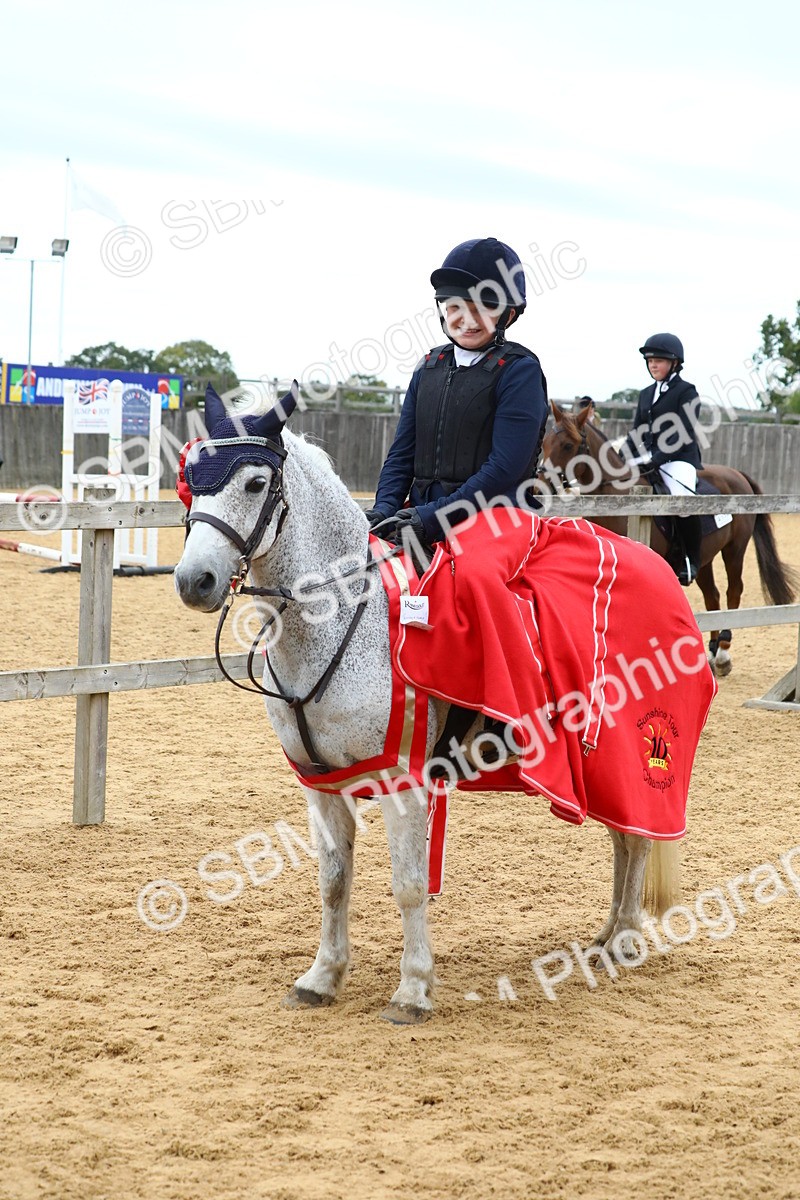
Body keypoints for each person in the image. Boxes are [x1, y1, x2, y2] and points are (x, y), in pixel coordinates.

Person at [364, 238, 549, 551]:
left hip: (494, 519)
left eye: (483, 309)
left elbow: (505, 469)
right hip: (419, 516)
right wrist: (384, 507)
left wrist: (435, 517)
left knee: (474, 576)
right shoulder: (428, 366)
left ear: (509, 314)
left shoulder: (521, 371)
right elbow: (401, 454)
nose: (467, 320)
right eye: (455, 308)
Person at [623, 332, 702, 586]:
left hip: (679, 459)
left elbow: (683, 432)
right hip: (649, 456)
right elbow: (636, 432)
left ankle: (691, 559)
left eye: (658, 360)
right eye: (649, 361)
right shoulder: (646, 393)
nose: (653, 365)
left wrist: (656, 459)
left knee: (682, 498)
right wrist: (620, 458)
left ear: (674, 363)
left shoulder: (686, 391)